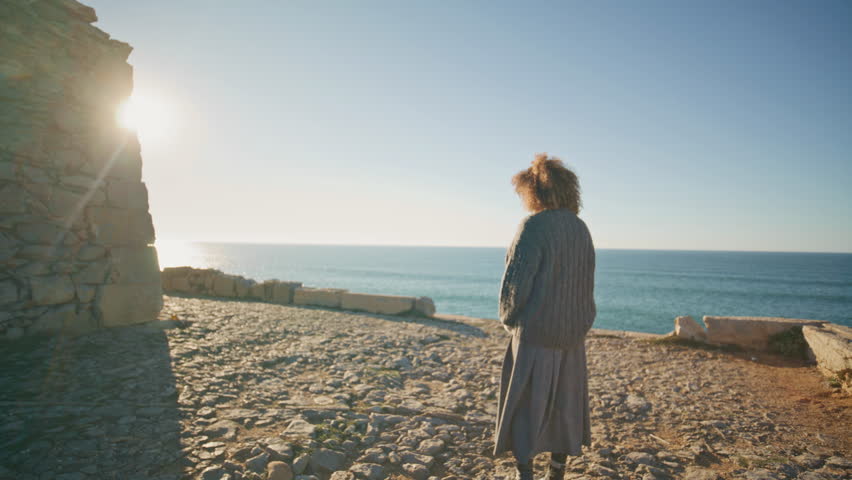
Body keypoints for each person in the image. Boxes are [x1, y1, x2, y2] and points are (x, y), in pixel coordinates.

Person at [494, 153, 596, 480]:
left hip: (535, 334)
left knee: (526, 406)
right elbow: (585, 282)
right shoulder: (581, 229)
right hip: (571, 337)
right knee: (565, 408)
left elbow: (515, 285)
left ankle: (526, 472)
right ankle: (557, 471)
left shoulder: (533, 226)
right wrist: (580, 324)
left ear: (533, 191)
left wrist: (509, 320)